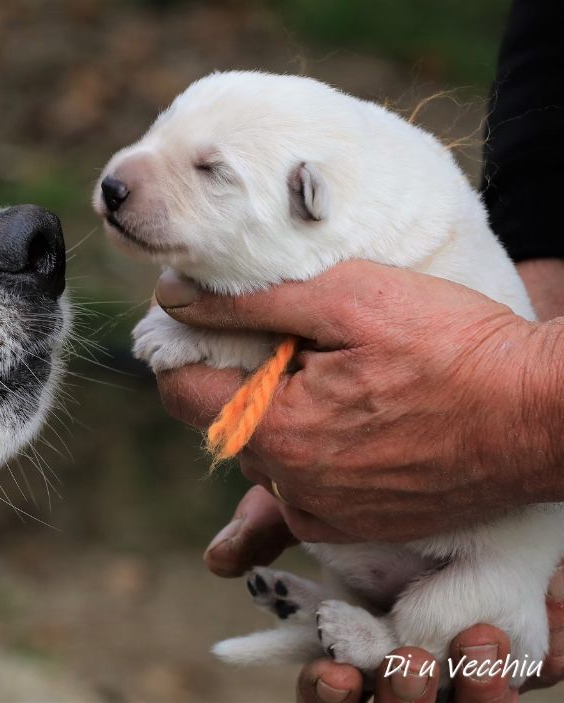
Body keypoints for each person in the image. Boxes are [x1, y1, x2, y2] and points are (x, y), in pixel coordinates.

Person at [153, 1, 564, 700]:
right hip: (392, 552)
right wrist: (542, 274)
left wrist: (535, 399)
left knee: (444, 611)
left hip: (480, 567)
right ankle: (348, 618)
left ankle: (381, 635)